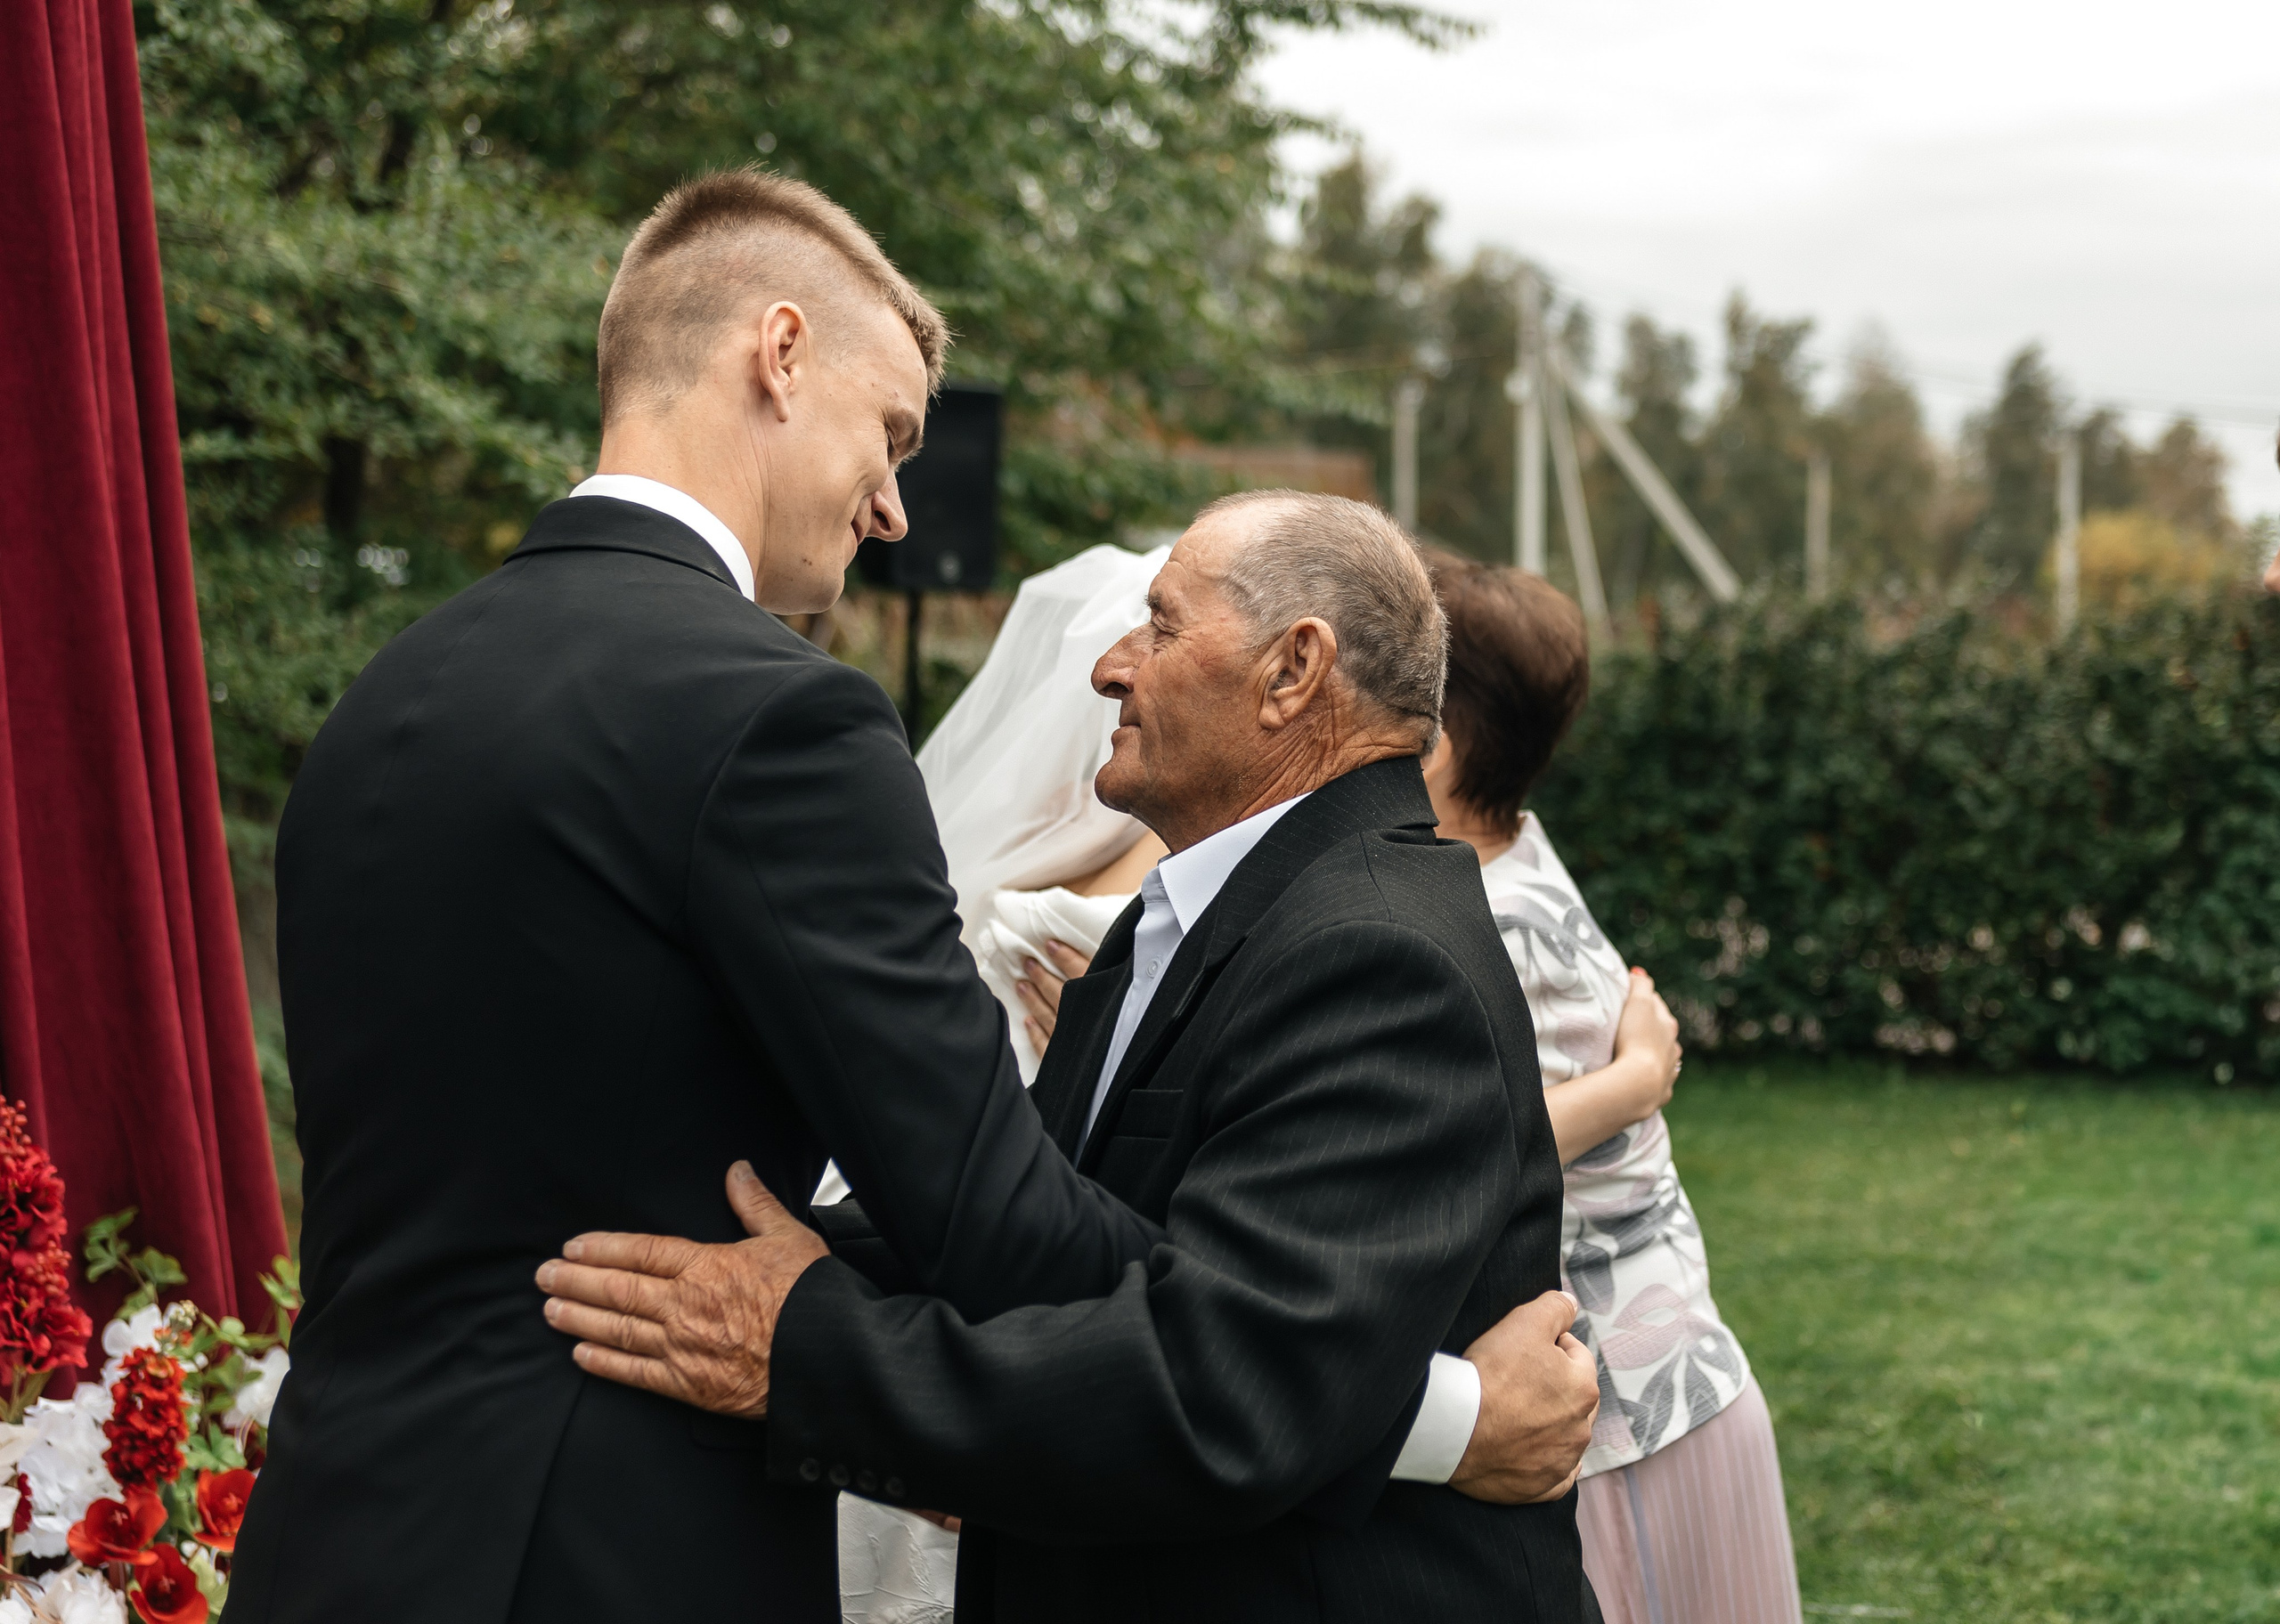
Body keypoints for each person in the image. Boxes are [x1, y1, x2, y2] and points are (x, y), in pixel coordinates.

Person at [230, 162, 1590, 1624]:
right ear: (782, 350)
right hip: (607, 1541)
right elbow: (994, 1225)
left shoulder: (384, 700)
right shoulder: (775, 720)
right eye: (890, 435)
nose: (891, 507)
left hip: (342, 1519)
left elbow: (592, 1170)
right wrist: (1418, 1407)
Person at [542, 492, 1606, 1622]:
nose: (1109, 667)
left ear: (1293, 670)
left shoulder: (1380, 957)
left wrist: (800, 1346)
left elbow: (1224, 1390)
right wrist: (763, 1248)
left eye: (1158, 626)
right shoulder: (1220, 910)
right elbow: (1061, 1234)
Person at [1421, 552, 1804, 1624]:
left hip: (1626, 1433)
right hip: (1663, 1399)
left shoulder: (1486, 922)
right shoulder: (1516, 858)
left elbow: (1467, 1150)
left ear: (1434, 750)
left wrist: (1637, 1082)